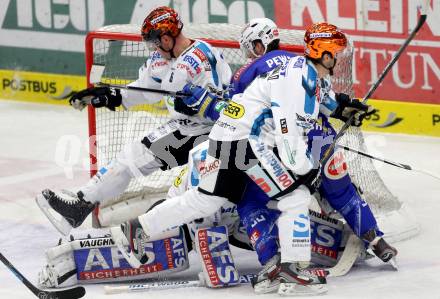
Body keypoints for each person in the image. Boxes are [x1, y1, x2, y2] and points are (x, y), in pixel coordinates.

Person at [111, 22, 357, 296]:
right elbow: (287, 130)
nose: (339, 59)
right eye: (337, 53)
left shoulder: (304, 74)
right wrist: (307, 169)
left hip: (226, 135)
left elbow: (319, 103)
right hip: (246, 142)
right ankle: (292, 272)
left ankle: (137, 228)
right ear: (324, 55)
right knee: (296, 195)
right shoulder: (298, 78)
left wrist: (344, 109)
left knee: (205, 200)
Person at [172, 19, 398, 293]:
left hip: (281, 147)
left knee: (249, 198)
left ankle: (272, 262)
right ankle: (376, 240)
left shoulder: (247, 71)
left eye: (250, 47)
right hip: (321, 141)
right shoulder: (300, 61)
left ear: (258, 45)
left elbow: (234, 113)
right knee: (341, 190)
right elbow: (327, 102)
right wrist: (345, 107)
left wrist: (204, 103)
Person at [35, 6, 232, 236]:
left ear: (167, 38)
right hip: (182, 129)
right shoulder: (160, 59)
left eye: (156, 42)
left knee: (194, 189)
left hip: (211, 133)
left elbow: (220, 105)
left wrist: (194, 105)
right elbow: (142, 90)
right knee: (128, 160)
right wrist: (110, 96)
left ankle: (201, 227)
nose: (154, 48)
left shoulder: (201, 57)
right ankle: (78, 208)